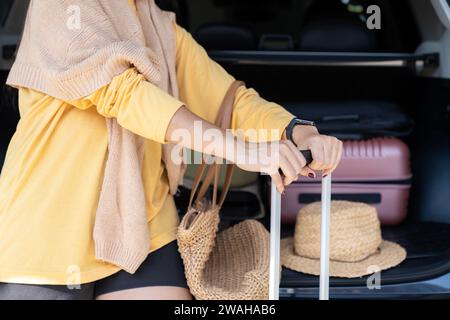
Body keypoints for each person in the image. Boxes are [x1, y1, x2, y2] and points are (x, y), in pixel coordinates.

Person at [0, 0, 342, 300]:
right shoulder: (62, 6)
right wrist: (241, 151)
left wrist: (299, 131)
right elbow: (123, 95)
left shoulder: (160, 27)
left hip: (141, 225)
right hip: (49, 229)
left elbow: (229, 100)